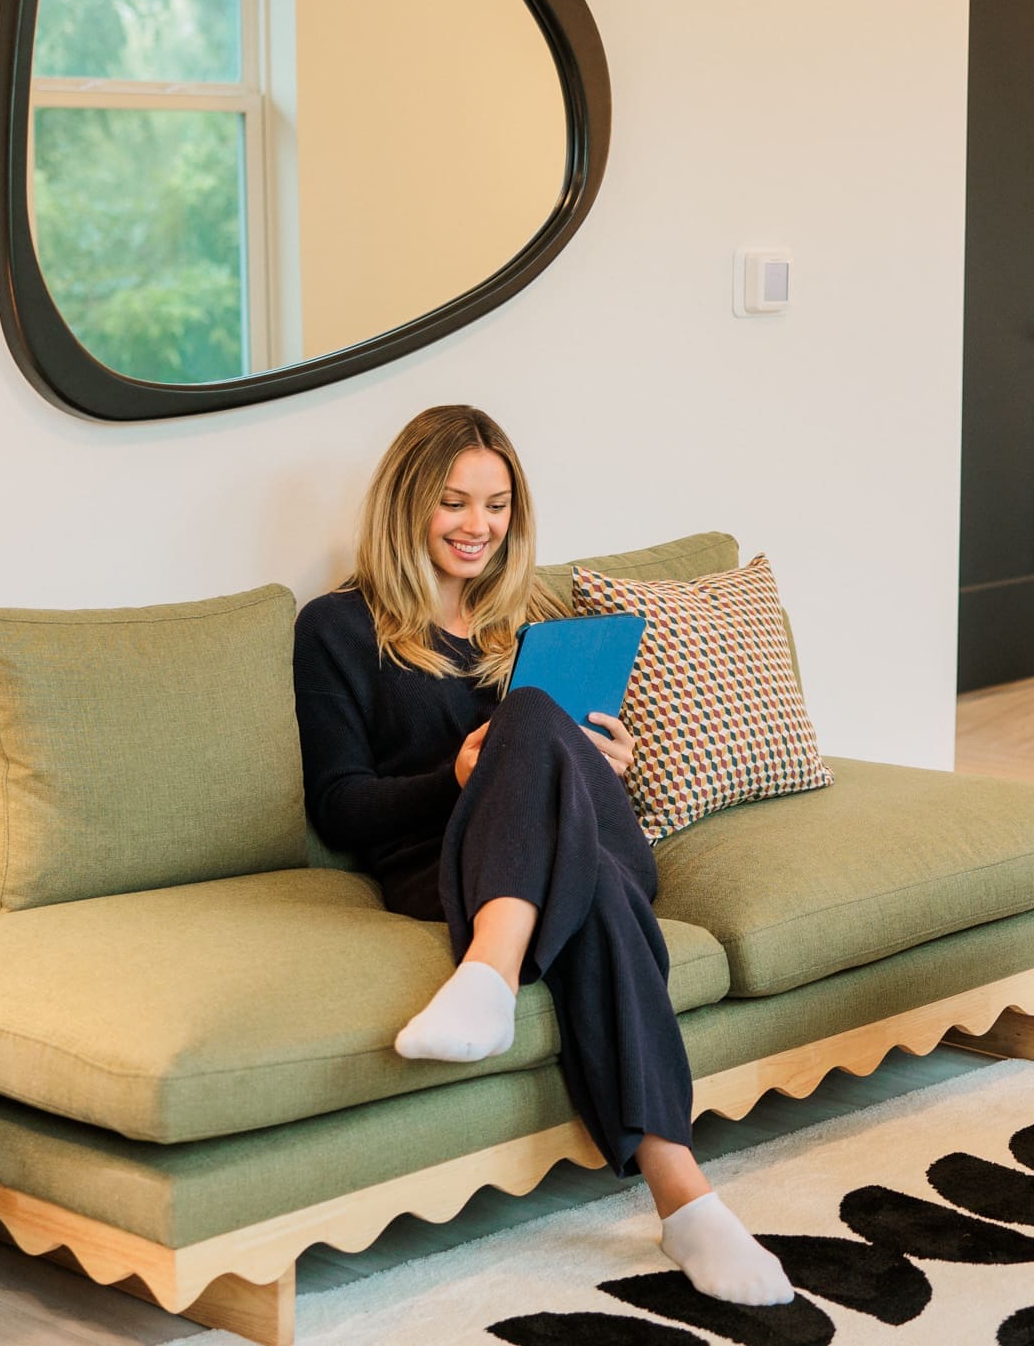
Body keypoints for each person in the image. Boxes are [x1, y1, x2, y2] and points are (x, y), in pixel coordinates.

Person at [293, 405, 794, 1308]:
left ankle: (490, 970)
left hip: (588, 834)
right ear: (406, 506)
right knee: (589, 870)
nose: (477, 526)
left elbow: (587, 770)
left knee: (538, 722)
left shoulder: (533, 620)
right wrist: (455, 773)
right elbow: (339, 809)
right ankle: (687, 1200)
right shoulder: (335, 628)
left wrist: (609, 761)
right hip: (444, 861)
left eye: (496, 504)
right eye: (452, 503)